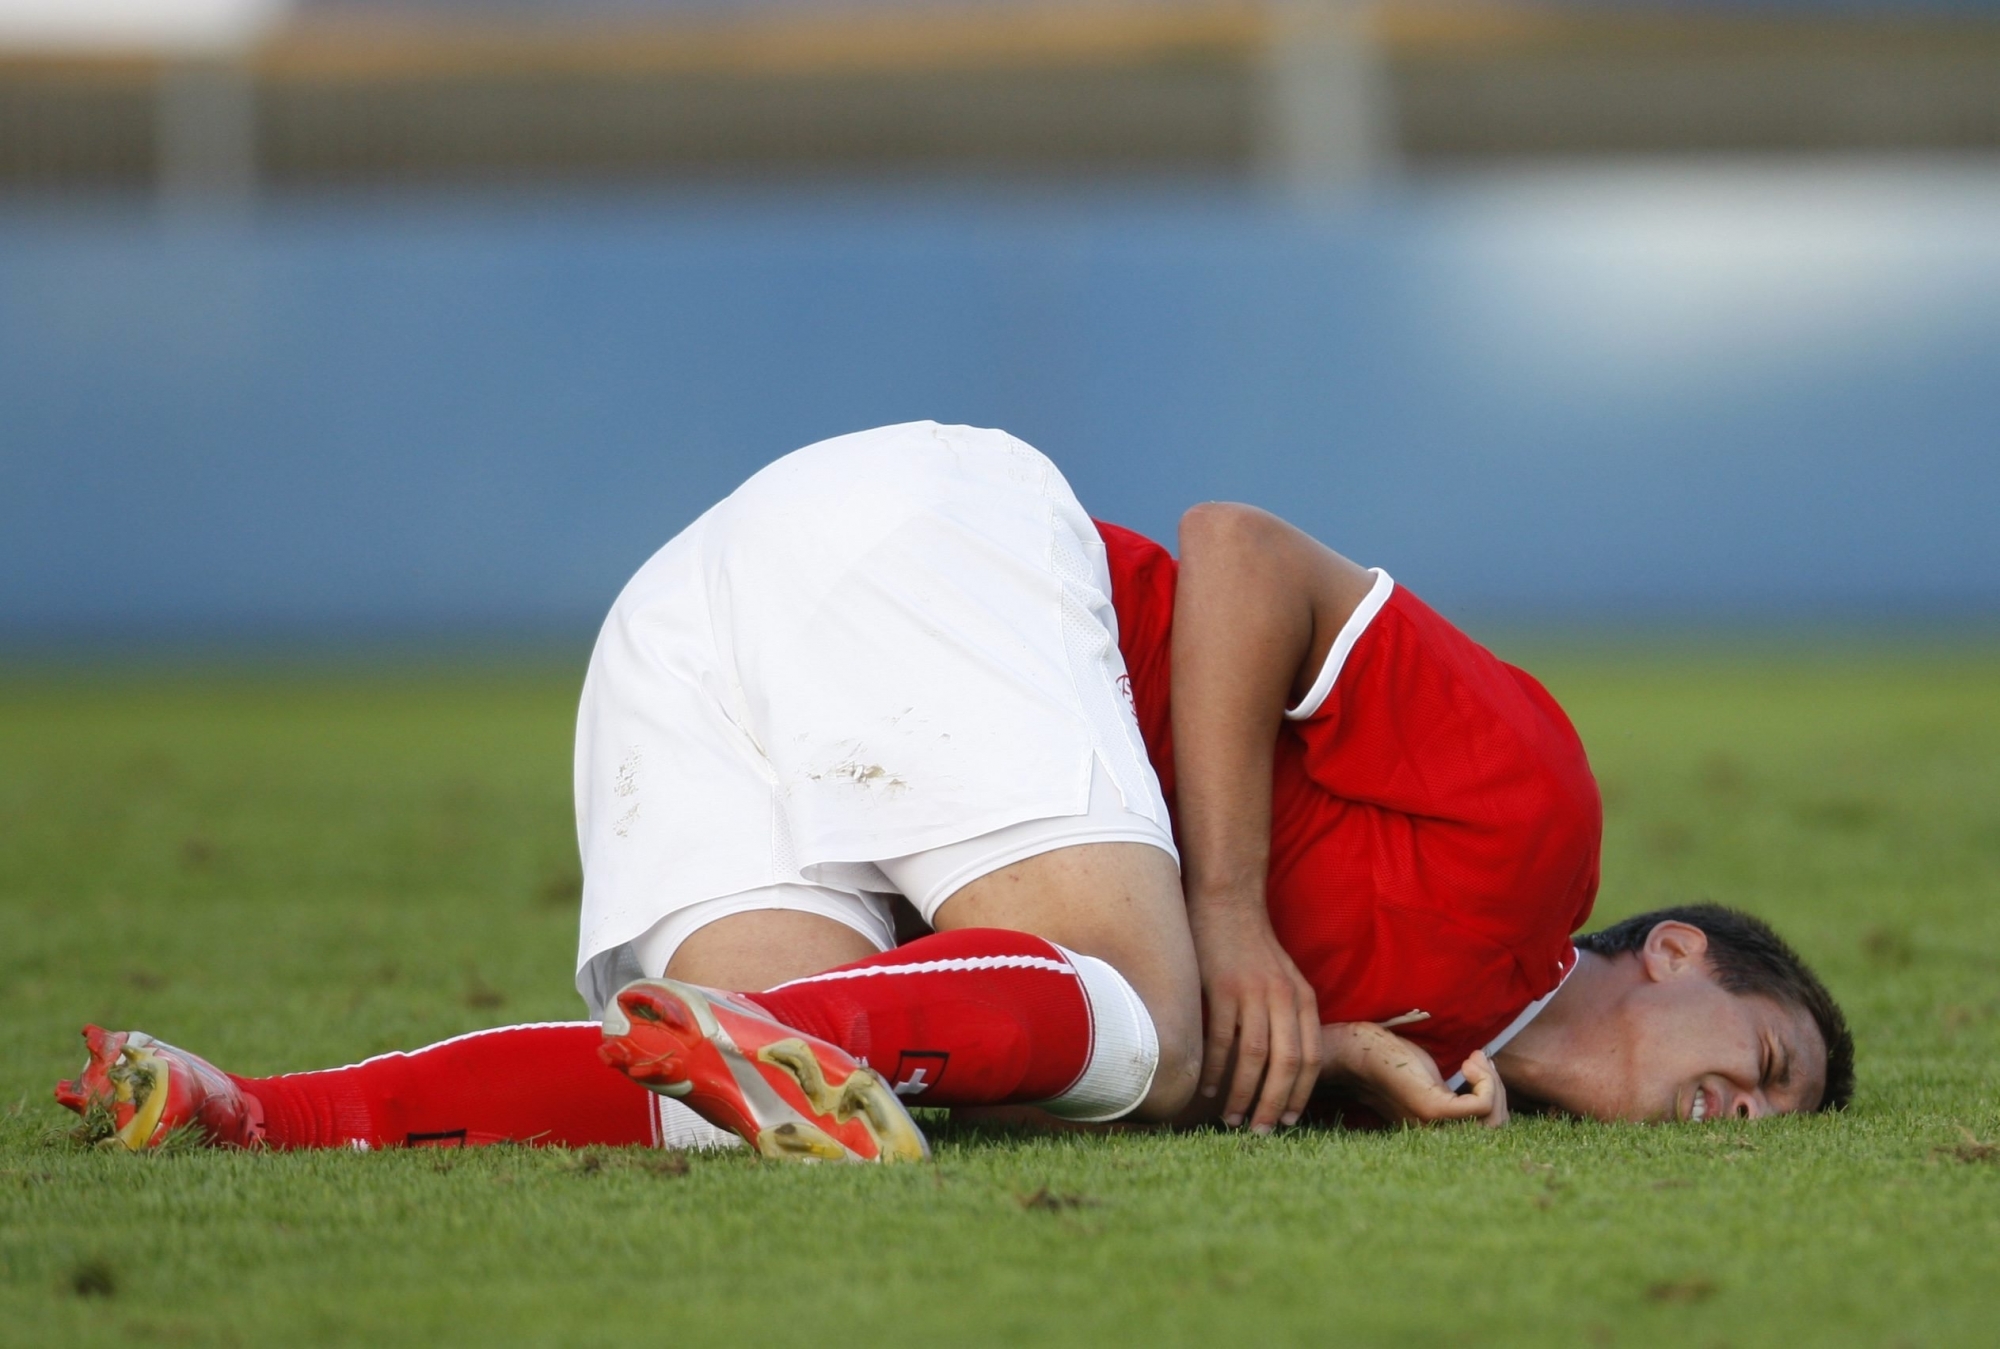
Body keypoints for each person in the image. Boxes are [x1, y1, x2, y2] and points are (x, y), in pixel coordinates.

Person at [55, 422, 1853, 1160]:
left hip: (699, 636)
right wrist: (1225, 917)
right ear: (1679, 947)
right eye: (1763, 1060)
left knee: (775, 1076)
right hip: (940, 539)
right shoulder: (1542, 824)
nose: (1743, 1111)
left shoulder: (1410, 1071)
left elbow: (1234, 1006)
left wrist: (1357, 1062)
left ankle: (253, 1108)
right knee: (1140, 1010)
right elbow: (1241, 550)